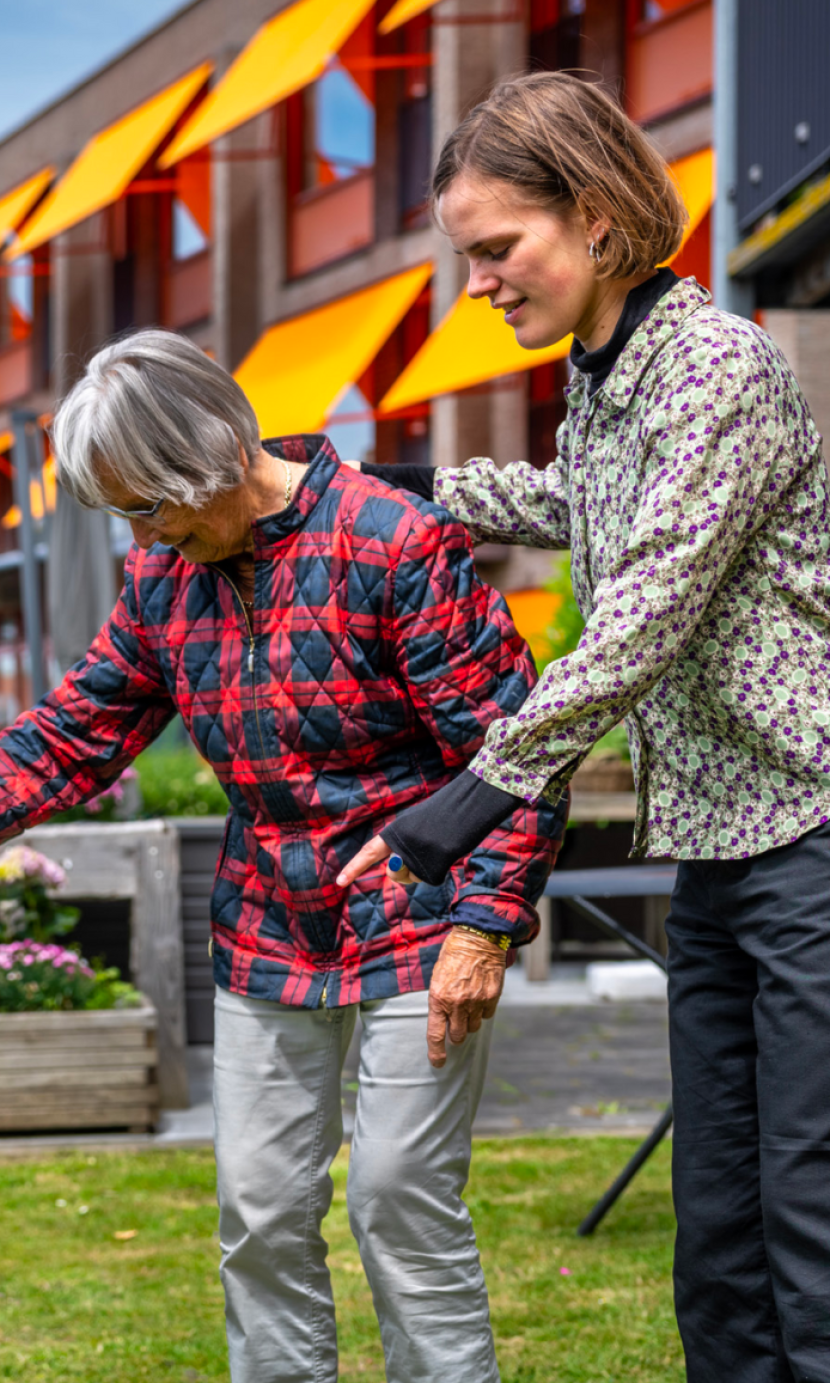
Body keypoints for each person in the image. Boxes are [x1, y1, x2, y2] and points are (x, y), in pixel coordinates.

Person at [0, 330, 564, 1383]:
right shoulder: (165, 579)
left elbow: (514, 750)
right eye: (128, 514)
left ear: (216, 456)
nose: (147, 534)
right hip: (270, 922)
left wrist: (487, 924)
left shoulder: (392, 542)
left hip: (422, 909)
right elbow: (79, 727)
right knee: (260, 1212)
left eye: (150, 505)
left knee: (399, 1198)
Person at [339, 72, 830, 1383]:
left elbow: (642, 618)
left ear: (601, 220)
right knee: (718, 1228)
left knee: (809, 1216)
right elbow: (576, 500)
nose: (480, 281)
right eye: (466, 256)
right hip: (723, 856)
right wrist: (383, 484)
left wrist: (467, 801)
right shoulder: (606, 377)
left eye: (498, 248)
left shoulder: (719, 367)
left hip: (814, 840)